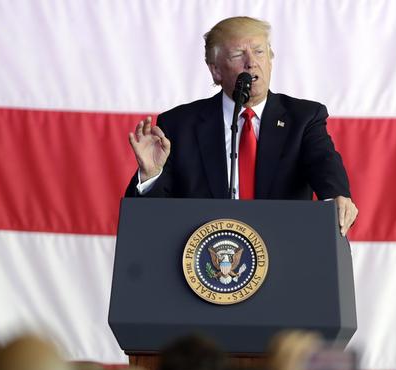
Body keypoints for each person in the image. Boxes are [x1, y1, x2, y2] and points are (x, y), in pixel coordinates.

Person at [125, 16, 358, 236]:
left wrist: (336, 196)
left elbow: (323, 162)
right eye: (238, 54)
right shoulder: (179, 125)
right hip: (203, 262)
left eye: (259, 52)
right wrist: (150, 175)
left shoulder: (304, 117)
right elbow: (149, 222)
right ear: (216, 70)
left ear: (270, 61)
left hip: (283, 253)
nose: (251, 63)